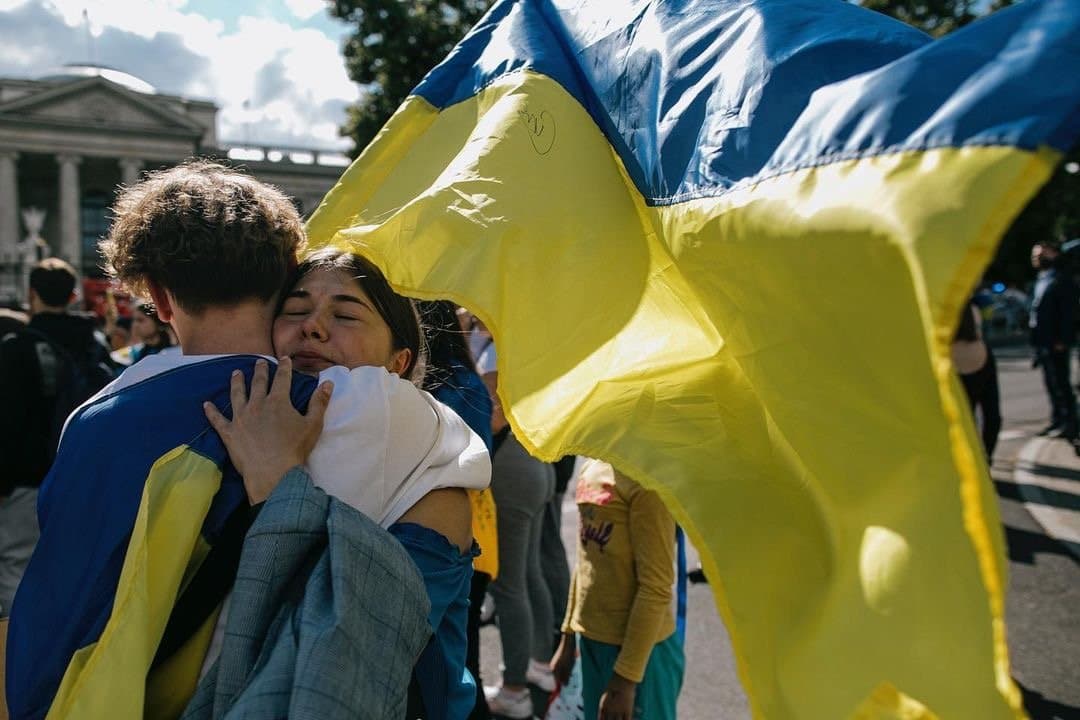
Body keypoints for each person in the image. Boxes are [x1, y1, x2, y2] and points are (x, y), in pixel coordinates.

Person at [6, 161, 487, 719]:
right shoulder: (355, 405)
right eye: (301, 306)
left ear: (159, 300)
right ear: (287, 272)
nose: (314, 328)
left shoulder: (93, 418)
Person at [264, 251, 483, 720]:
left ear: (399, 361)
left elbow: (358, 644)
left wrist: (276, 481)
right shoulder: (237, 425)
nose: (313, 327)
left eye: (345, 314)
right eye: (296, 310)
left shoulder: (434, 479)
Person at [0, 258, 114, 618]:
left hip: (28, 480)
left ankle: (16, 662)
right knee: (76, 569)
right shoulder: (96, 343)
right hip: (86, 475)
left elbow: (8, 420)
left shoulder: (16, 347)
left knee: (18, 567)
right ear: (72, 295)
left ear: (32, 294)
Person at [550, 460, 684, 720]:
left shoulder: (648, 483)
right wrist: (568, 636)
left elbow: (655, 588)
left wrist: (625, 681)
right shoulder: (592, 465)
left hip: (640, 656)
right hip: (592, 643)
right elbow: (586, 559)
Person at [419, 299, 498, 720]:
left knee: (450, 658)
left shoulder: (438, 389)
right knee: (461, 649)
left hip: (442, 527)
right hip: (477, 522)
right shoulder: (469, 379)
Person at [479, 337, 557, 719]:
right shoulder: (514, 339)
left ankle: (514, 691)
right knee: (528, 573)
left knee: (509, 586)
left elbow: (495, 416)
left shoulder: (496, 348)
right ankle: (540, 666)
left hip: (511, 467)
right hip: (533, 459)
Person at [1029, 241, 1079, 444]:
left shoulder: (1062, 279)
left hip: (1056, 341)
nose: (1037, 258)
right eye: (1034, 255)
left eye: (1041, 254)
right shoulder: (1041, 280)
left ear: (1054, 254)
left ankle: (1070, 423)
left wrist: (1064, 339)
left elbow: (1069, 313)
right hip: (1042, 340)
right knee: (1050, 382)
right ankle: (1057, 419)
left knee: (1061, 384)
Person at [952, 301, 1001, 461]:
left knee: (964, 419)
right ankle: (986, 457)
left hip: (954, 364)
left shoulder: (938, 309)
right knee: (991, 414)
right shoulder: (973, 308)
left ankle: (969, 461)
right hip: (981, 359)